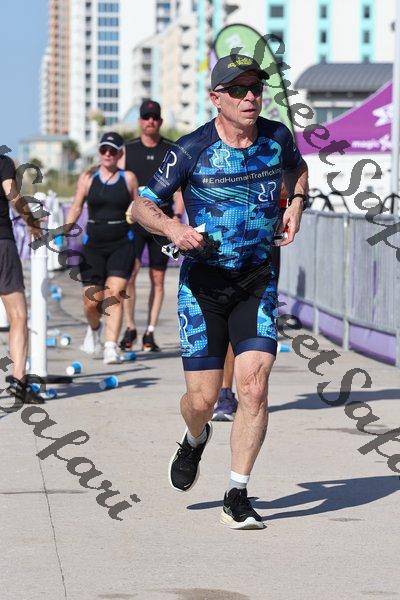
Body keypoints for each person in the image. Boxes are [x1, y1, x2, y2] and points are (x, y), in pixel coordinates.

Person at [132, 54, 308, 529]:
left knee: (254, 387)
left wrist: (296, 204)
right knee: (202, 401)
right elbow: (142, 206)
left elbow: (297, 170)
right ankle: (194, 438)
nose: (250, 97)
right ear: (216, 98)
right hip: (203, 288)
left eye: (256, 88)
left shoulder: (277, 138)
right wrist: (174, 229)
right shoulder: (191, 149)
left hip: (257, 280)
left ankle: (237, 492)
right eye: (238, 89)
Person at [66, 132, 137, 364]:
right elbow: (76, 206)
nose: (108, 154)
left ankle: (110, 346)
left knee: (114, 294)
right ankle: (94, 329)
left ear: (120, 153)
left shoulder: (128, 178)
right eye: (104, 150)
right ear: (99, 152)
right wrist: (64, 230)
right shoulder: (88, 178)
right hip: (93, 245)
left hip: (122, 243)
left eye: (112, 151)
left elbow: (138, 208)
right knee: (91, 301)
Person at [119, 100, 184, 352]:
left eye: (155, 117)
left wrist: (177, 215)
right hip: (134, 220)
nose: (150, 121)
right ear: (139, 121)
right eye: (146, 117)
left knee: (158, 277)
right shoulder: (128, 150)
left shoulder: (171, 150)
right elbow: (119, 183)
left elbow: (179, 188)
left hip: (162, 221)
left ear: (160, 121)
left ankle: (150, 332)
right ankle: (130, 327)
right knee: (131, 274)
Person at [0, 151, 45, 404]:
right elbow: (13, 194)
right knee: (17, 315)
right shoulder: (2, 162)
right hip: (2, 245)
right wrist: (32, 222)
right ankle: (18, 382)